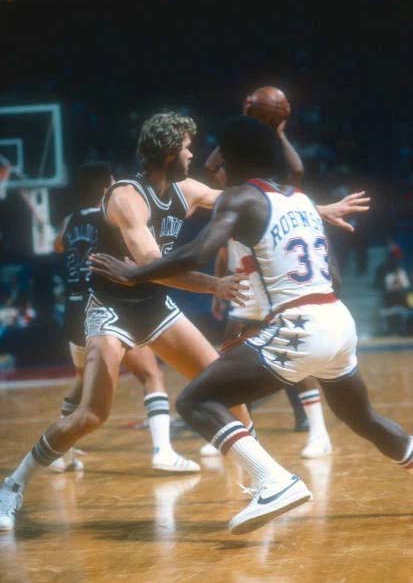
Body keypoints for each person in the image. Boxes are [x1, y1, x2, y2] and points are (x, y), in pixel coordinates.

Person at [0, 112, 371, 532]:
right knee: (92, 414)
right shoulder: (126, 196)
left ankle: (266, 480)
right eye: (187, 147)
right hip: (111, 309)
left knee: (227, 391)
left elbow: (256, 203)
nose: (193, 154)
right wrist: (214, 285)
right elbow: (152, 265)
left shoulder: (187, 189)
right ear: (167, 152)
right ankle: (12, 486)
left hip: (155, 307)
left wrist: (317, 209)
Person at [89, 116, 412, 536]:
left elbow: (198, 253)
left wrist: (135, 274)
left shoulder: (241, 197)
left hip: (302, 327)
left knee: (195, 401)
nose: (214, 162)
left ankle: (274, 481)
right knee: (363, 418)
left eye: (222, 155)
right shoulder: (299, 199)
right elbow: (334, 277)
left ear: (236, 158)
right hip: (338, 320)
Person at [52, 161, 199, 474]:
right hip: (101, 305)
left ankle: (60, 455)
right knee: (150, 375)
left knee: (83, 382)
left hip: (73, 311)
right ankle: (163, 451)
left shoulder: (70, 220)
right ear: (108, 186)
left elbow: (58, 245)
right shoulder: (112, 215)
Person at [206, 121, 331, 457]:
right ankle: (241, 431)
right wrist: (244, 125)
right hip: (244, 284)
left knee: (292, 351)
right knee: (230, 353)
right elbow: (210, 167)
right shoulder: (230, 194)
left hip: (271, 282)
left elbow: (297, 169)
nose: (221, 169)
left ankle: (318, 431)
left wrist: (274, 130)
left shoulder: (269, 194)